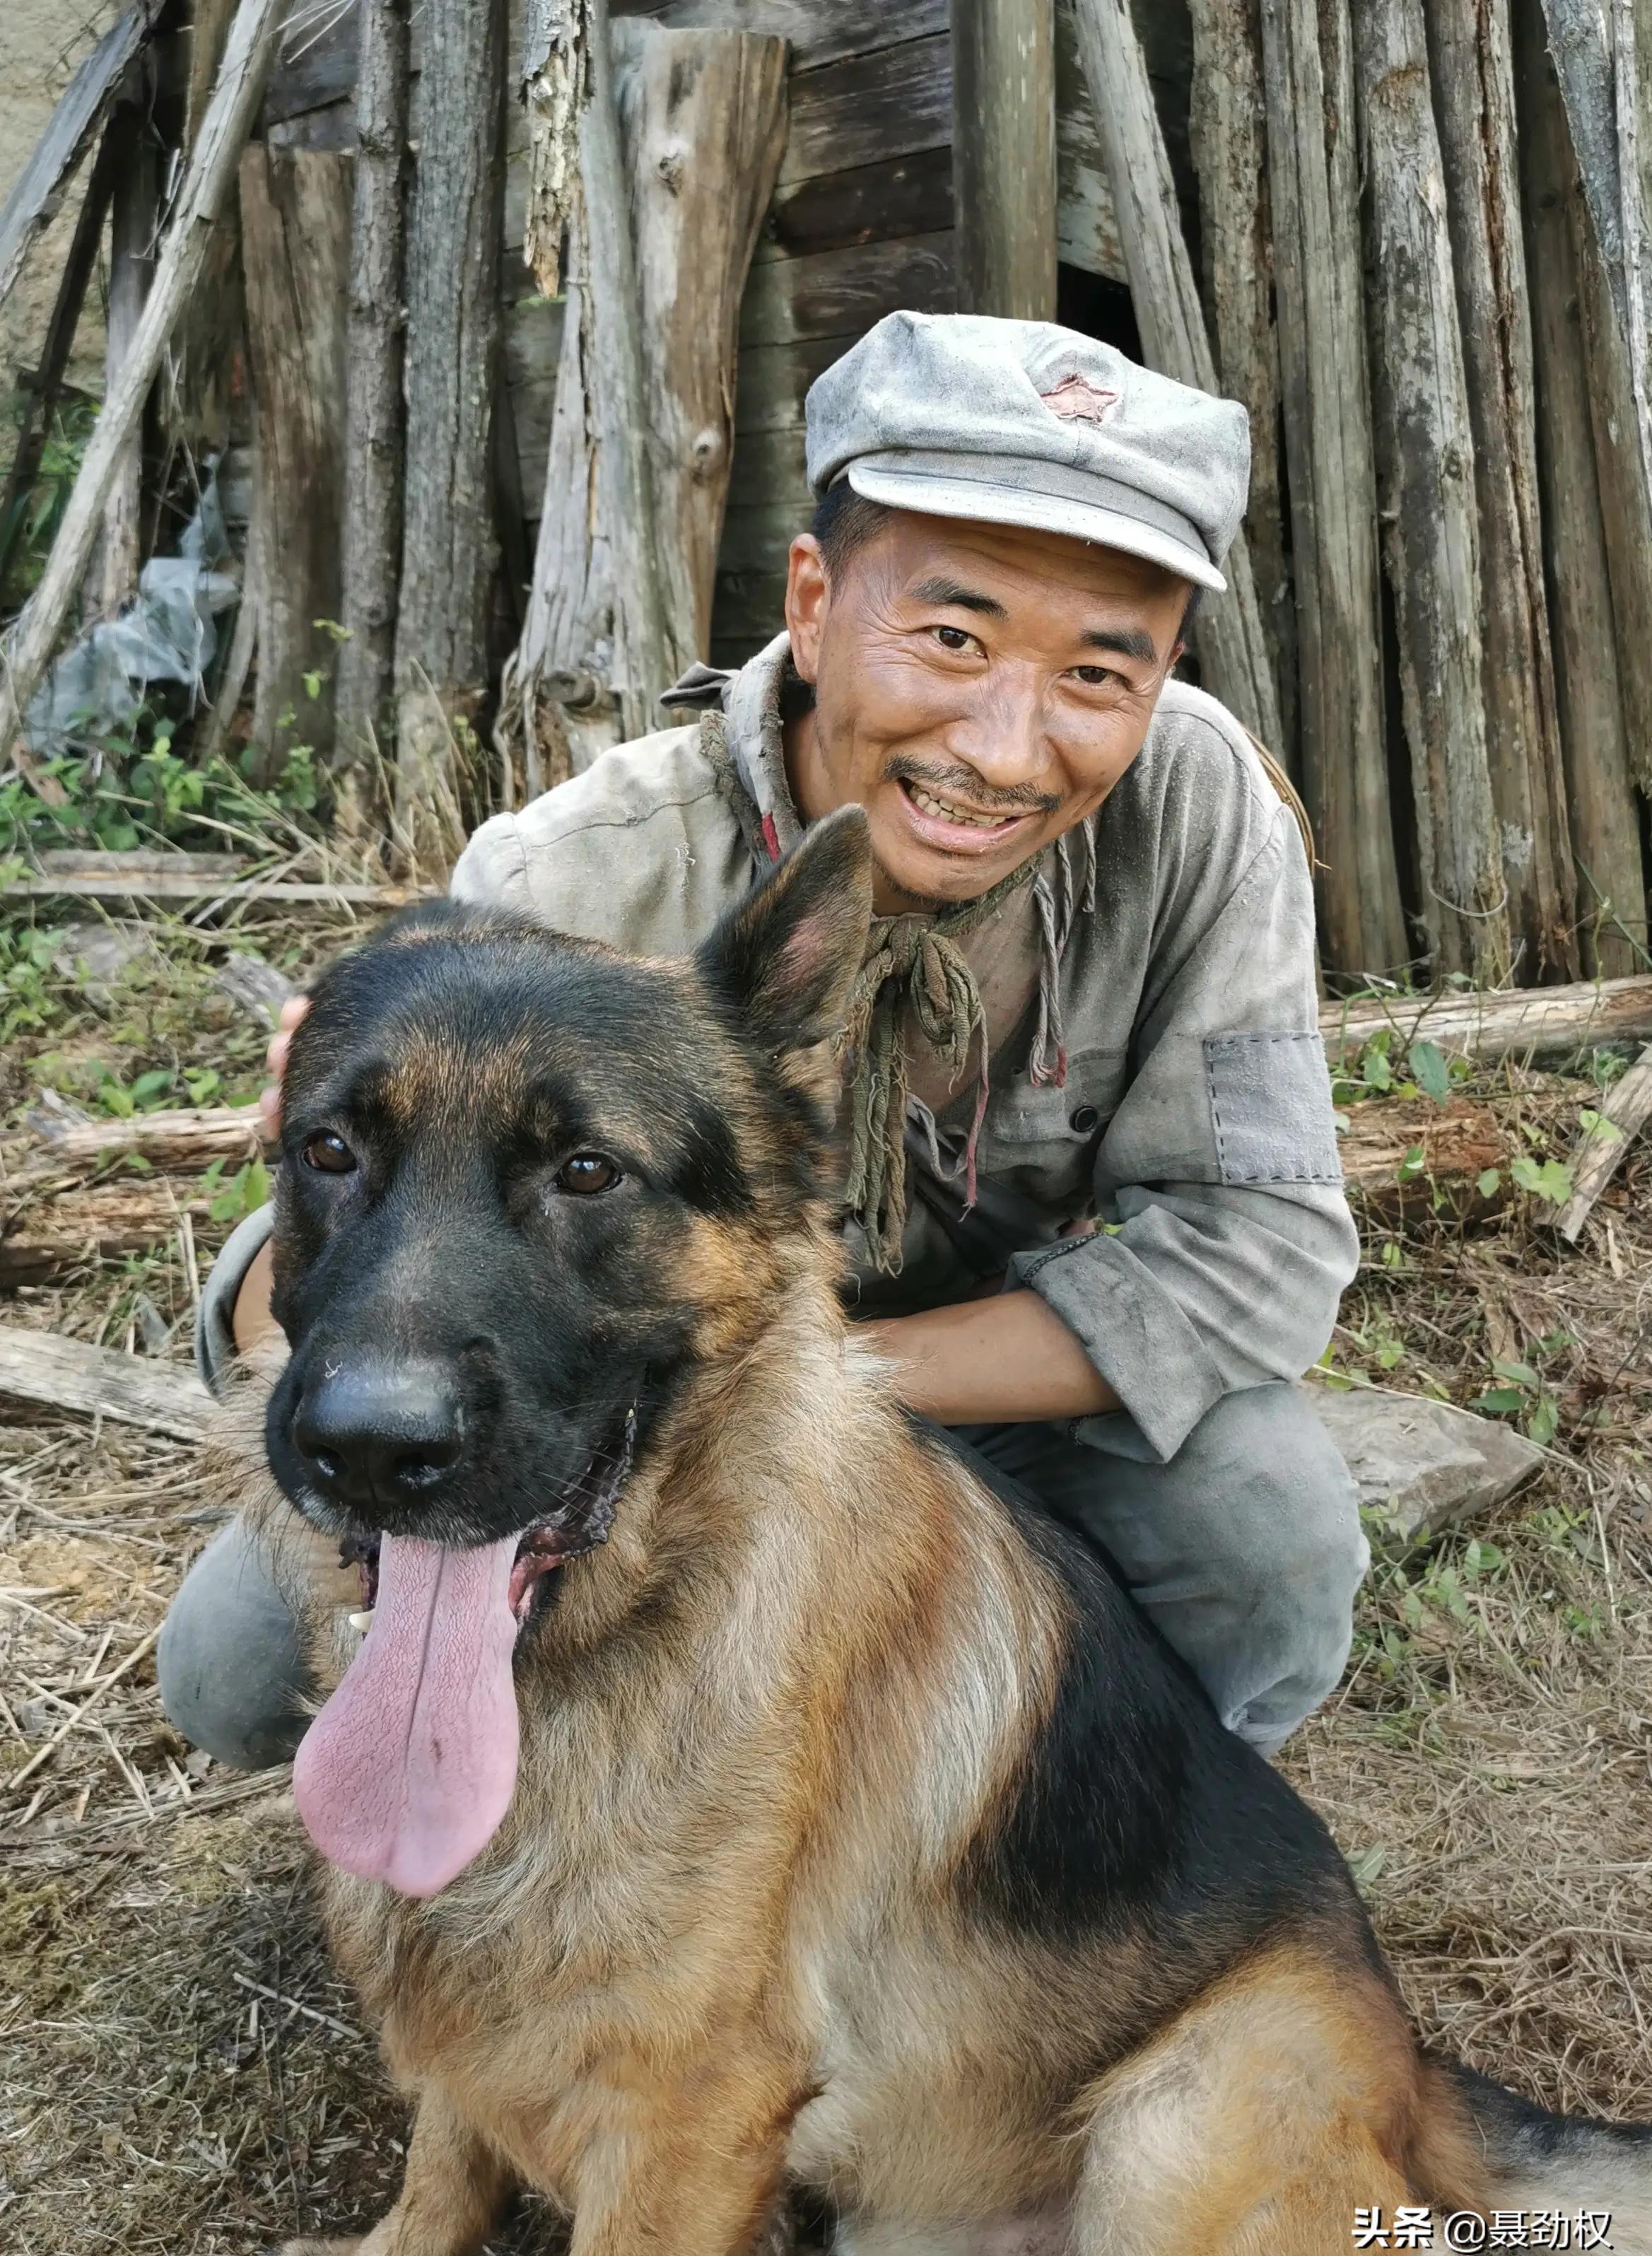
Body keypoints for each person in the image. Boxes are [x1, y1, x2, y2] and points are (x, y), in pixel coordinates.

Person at [159, 311, 1366, 1773]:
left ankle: (1097, 1830)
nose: (1000, 745)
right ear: (810, 598)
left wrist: (812, 1391)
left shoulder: (1195, 815)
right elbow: (352, 1253)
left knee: (1262, 1528)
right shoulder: (571, 884)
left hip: (983, 1389)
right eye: (950, 635)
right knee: (234, 1673)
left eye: (1097, 676)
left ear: (1164, 671)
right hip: (610, 1398)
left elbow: (1255, 1252)